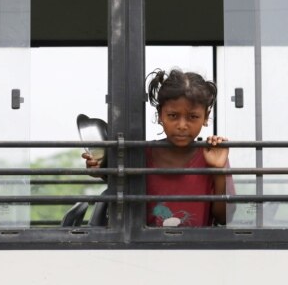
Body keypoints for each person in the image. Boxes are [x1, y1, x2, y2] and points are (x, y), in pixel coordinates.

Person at [83, 68, 234, 227]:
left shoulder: (213, 155)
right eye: (173, 116)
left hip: (195, 249)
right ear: (160, 115)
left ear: (206, 116)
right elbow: (120, 190)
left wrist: (219, 172)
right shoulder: (141, 155)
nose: (182, 125)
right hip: (147, 250)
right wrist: (102, 169)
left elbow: (225, 217)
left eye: (193, 117)